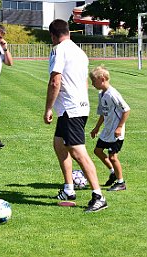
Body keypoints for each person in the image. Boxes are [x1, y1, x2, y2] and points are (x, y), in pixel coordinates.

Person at [43, 19, 107, 212]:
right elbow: (84, 82)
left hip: (71, 110)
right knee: (58, 143)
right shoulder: (79, 51)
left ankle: (98, 196)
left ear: (53, 36)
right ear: (68, 32)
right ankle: (69, 188)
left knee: (78, 152)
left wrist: (48, 108)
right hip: (75, 108)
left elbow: (55, 81)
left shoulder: (59, 50)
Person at [90, 66, 130, 191]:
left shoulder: (113, 94)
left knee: (113, 157)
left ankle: (121, 182)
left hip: (116, 132)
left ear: (102, 79)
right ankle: (113, 172)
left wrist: (119, 127)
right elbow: (103, 113)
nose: (92, 84)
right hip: (107, 130)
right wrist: (96, 128)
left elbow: (126, 110)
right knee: (97, 151)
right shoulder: (101, 94)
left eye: (94, 81)